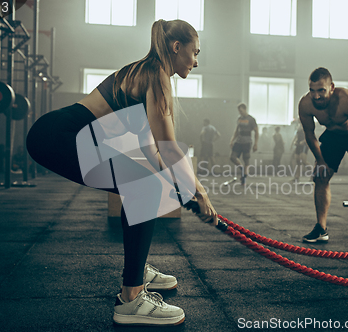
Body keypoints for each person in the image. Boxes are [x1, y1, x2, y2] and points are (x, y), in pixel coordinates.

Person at [26, 19, 218, 326]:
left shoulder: (146, 72)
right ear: (176, 47)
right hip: (58, 135)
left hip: (58, 134)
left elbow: (154, 153)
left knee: (146, 184)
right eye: (195, 52)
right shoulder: (155, 74)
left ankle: (136, 271)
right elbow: (169, 149)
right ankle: (131, 299)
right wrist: (201, 194)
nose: (196, 61)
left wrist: (183, 192)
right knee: (146, 188)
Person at [298, 67, 348, 248]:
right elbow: (310, 135)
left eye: (321, 90)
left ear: (331, 87)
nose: (316, 96)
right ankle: (321, 228)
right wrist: (321, 161)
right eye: (312, 90)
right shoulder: (306, 104)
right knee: (320, 176)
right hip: (332, 136)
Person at [229, 103, 259, 185]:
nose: (240, 112)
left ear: (245, 109)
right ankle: (242, 168)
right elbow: (236, 131)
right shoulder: (239, 119)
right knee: (232, 157)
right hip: (238, 141)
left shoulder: (251, 119)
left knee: (246, 159)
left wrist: (255, 144)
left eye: (241, 111)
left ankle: (244, 176)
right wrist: (232, 140)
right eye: (239, 111)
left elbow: (256, 131)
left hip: (247, 142)